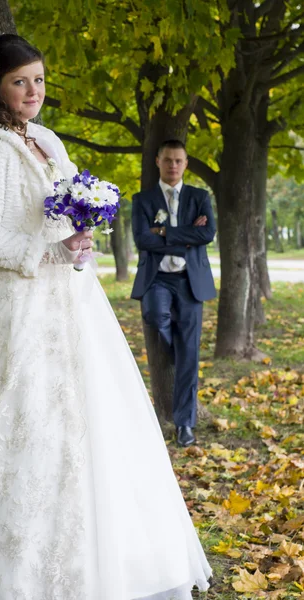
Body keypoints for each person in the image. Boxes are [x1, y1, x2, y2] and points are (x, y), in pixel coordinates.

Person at [0, 35, 212, 600]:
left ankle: (106, 557)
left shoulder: (45, 139)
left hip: (72, 302)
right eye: (19, 82)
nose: (32, 91)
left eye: (38, 79)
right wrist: (47, 251)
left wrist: (76, 239)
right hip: (20, 306)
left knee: (92, 420)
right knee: (28, 419)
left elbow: (54, 214)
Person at [131, 141, 216, 448]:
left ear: (185, 163)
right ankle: (175, 348)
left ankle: (185, 424)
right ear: (158, 161)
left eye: (178, 161)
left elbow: (207, 234)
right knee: (155, 315)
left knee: (190, 355)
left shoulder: (199, 197)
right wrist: (185, 238)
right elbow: (142, 240)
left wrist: (165, 233)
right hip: (158, 280)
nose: (173, 166)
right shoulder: (143, 199)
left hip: (190, 281)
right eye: (168, 160)